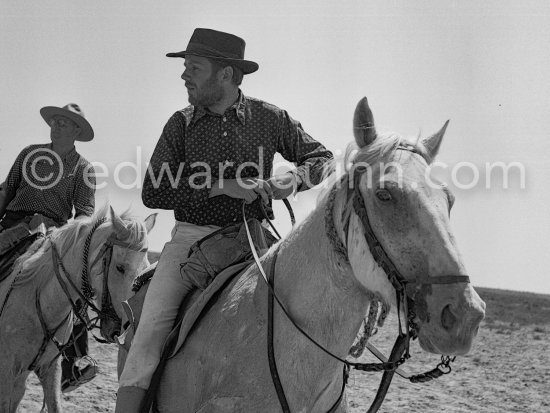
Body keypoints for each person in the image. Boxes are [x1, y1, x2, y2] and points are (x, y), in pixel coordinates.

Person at [115, 28, 334, 412]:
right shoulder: (180, 125)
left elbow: (324, 159)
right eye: (185, 67)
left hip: (256, 241)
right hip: (190, 243)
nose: (185, 76)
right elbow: (153, 191)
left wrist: (293, 179)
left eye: (194, 68)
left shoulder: (271, 118)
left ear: (227, 75)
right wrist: (219, 186)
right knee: (148, 335)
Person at [0, 103, 97, 392]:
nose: (56, 125)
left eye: (64, 123)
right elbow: (7, 189)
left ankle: (74, 363)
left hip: (54, 235)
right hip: (15, 226)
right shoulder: (30, 153)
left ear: (77, 131)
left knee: (73, 290)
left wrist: (71, 238)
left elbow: (85, 213)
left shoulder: (83, 169)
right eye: (55, 120)